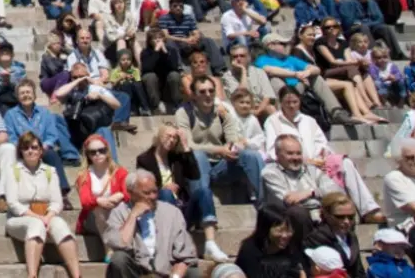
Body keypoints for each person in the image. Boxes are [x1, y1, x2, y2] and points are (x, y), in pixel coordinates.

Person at [264, 88, 384, 223]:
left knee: (346, 163)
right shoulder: (273, 121)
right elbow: (271, 150)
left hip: (317, 162)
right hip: (294, 163)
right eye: (287, 102)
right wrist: (303, 159)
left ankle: (368, 210)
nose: (291, 106)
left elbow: (322, 143)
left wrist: (321, 156)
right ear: (281, 103)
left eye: (295, 102)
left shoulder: (309, 120)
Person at [135, 122, 226, 261]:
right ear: (159, 136)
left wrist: (186, 147)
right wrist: (161, 189)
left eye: (174, 138)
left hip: (182, 208)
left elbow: (195, 175)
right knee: (166, 194)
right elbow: (143, 189)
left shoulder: (177, 157)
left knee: (204, 191)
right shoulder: (144, 160)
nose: (171, 140)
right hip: (160, 210)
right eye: (168, 136)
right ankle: (171, 244)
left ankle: (210, 244)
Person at [176, 75, 265, 206]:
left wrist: (231, 147)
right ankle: (202, 208)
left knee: (252, 156)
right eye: (202, 91)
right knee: (197, 155)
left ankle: (264, 205)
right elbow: (188, 145)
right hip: (196, 166)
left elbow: (232, 139)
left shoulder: (223, 113)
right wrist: (219, 150)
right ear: (193, 95)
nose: (208, 95)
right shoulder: (184, 113)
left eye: (211, 91)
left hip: (220, 166)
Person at [3, 132, 82, 278]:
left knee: (61, 227)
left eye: (34, 147)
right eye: (26, 148)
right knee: (35, 225)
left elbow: (57, 201)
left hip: (47, 215)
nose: (30, 151)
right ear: (21, 151)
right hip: (19, 218)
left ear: (41, 150)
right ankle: (32, 275)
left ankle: (76, 275)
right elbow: (13, 203)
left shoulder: (50, 171)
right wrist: (38, 218)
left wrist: (48, 216)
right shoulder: (13, 170)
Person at [104, 169, 199, 278]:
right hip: (135, 272)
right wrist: (133, 215)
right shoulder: (119, 212)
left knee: (194, 273)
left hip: (165, 272)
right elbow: (120, 244)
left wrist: (175, 276)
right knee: (118, 259)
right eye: (146, 193)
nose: (153, 196)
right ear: (131, 193)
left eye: (155, 191)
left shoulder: (172, 212)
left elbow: (186, 255)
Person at [235, 202, 306, 278]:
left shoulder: (292, 247)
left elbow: (300, 272)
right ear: (265, 230)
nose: (285, 235)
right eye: (280, 231)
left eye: (288, 230)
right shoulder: (250, 251)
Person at [305, 193, 365, 278]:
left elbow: (359, 271)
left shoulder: (351, 237)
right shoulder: (316, 238)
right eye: (340, 217)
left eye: (351, 217)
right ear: (325, 214)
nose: (346, 221)